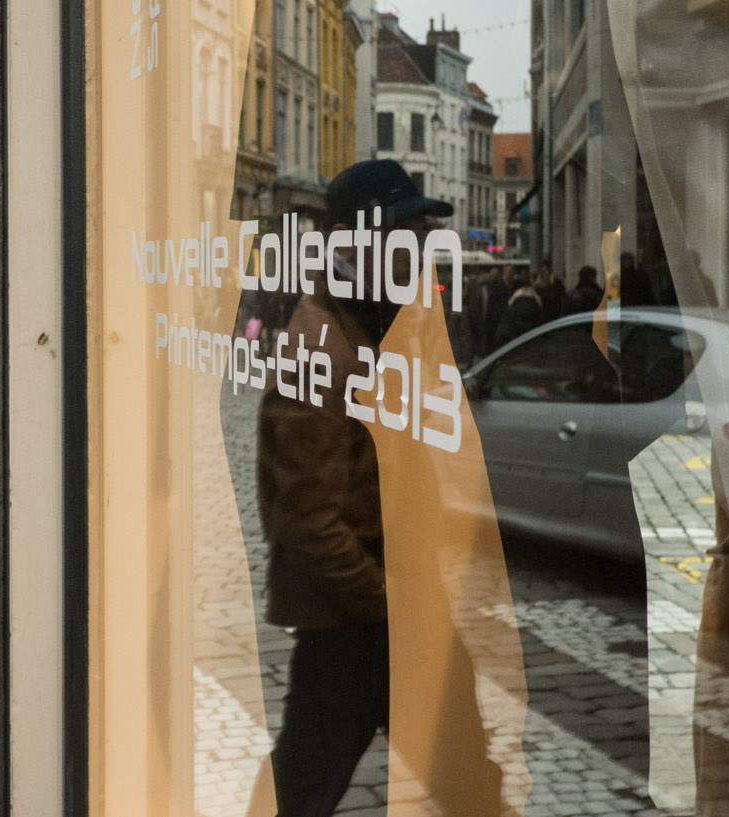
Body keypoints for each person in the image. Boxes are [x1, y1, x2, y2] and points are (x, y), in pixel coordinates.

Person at [256, 160, 501, 817]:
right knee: (304, 788)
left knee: (470, 782)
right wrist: (390, 601)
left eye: (420, 233)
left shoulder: (379, 328)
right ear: (347, 241)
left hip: (389, 607)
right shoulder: (323, 347)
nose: (418, 248)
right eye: (402, 233)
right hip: (356, 621)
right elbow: (308, 524)